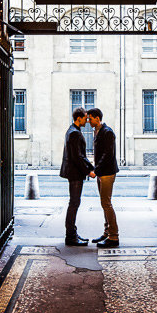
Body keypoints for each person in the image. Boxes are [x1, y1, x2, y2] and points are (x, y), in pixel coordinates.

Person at [60, 106, 96, 246]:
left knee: (74, 203)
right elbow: (77, 156)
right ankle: (70, 236)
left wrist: (91, 167)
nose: (87, 121)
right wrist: (89, 171)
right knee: (74, 204)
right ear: (79, 118)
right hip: (75, 173)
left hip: (74, 172)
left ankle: (72, 233)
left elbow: (79, 155)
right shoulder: (74, 133)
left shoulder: (72, 130)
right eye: (85, 118)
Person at [88, 107, 120, 248]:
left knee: (106, 204)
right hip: (102, 172)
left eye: (90, 118)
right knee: (104, 204)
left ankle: (114, 236)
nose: (88, 121)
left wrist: (96, 170)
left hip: (107, 173)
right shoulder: (98, 131)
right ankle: (107, 233)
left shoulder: (107, 132)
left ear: (97, 118)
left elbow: (108, 154)